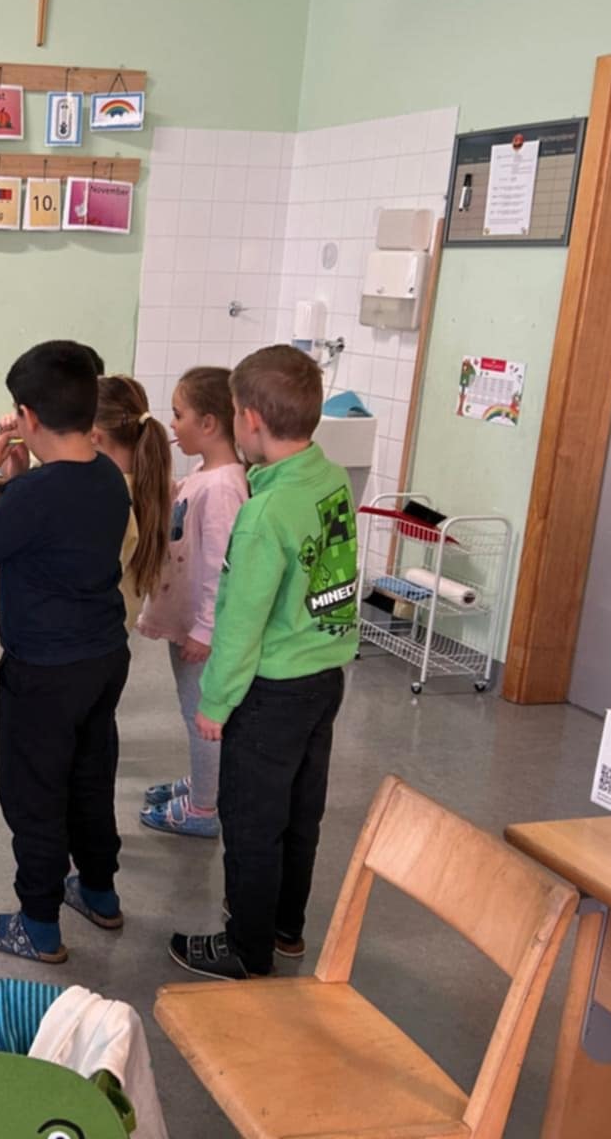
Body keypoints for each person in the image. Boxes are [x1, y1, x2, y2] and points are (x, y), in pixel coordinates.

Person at [169, 345, 358, 980]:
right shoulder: (331, 480)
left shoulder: (262, 516)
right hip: (324, 679)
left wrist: (215, 702)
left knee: (252, 822)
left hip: (271, 691)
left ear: (248, 420)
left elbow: (241, 622)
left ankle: (246, 948)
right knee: (301, 813)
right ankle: (285, 929)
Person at [0, 341, 132, 964]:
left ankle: (38, 924)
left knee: (34, 792)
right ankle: (100, 892)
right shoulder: (106, 474)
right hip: (103, 657)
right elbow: (57, 526)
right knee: (90, 777)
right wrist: (24, 473)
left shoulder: (35, 494)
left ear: (27, 416)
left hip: (43, 669)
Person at [136, 367, 247, 839]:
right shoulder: (206, 476)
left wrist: (205, 630)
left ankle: (204, 808)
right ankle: (207, 784)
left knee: (202, 717)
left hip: (201, 633)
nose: (172, 423)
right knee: (193, 712)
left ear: (209, 423)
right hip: (187, 623)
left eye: (179, 414)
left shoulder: (223, 487)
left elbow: (222, 568)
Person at [89, 375, 172, 632]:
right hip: (119, 620)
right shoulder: (151, 483)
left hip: (94, 627)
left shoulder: (106, 495)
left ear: (93, 436)